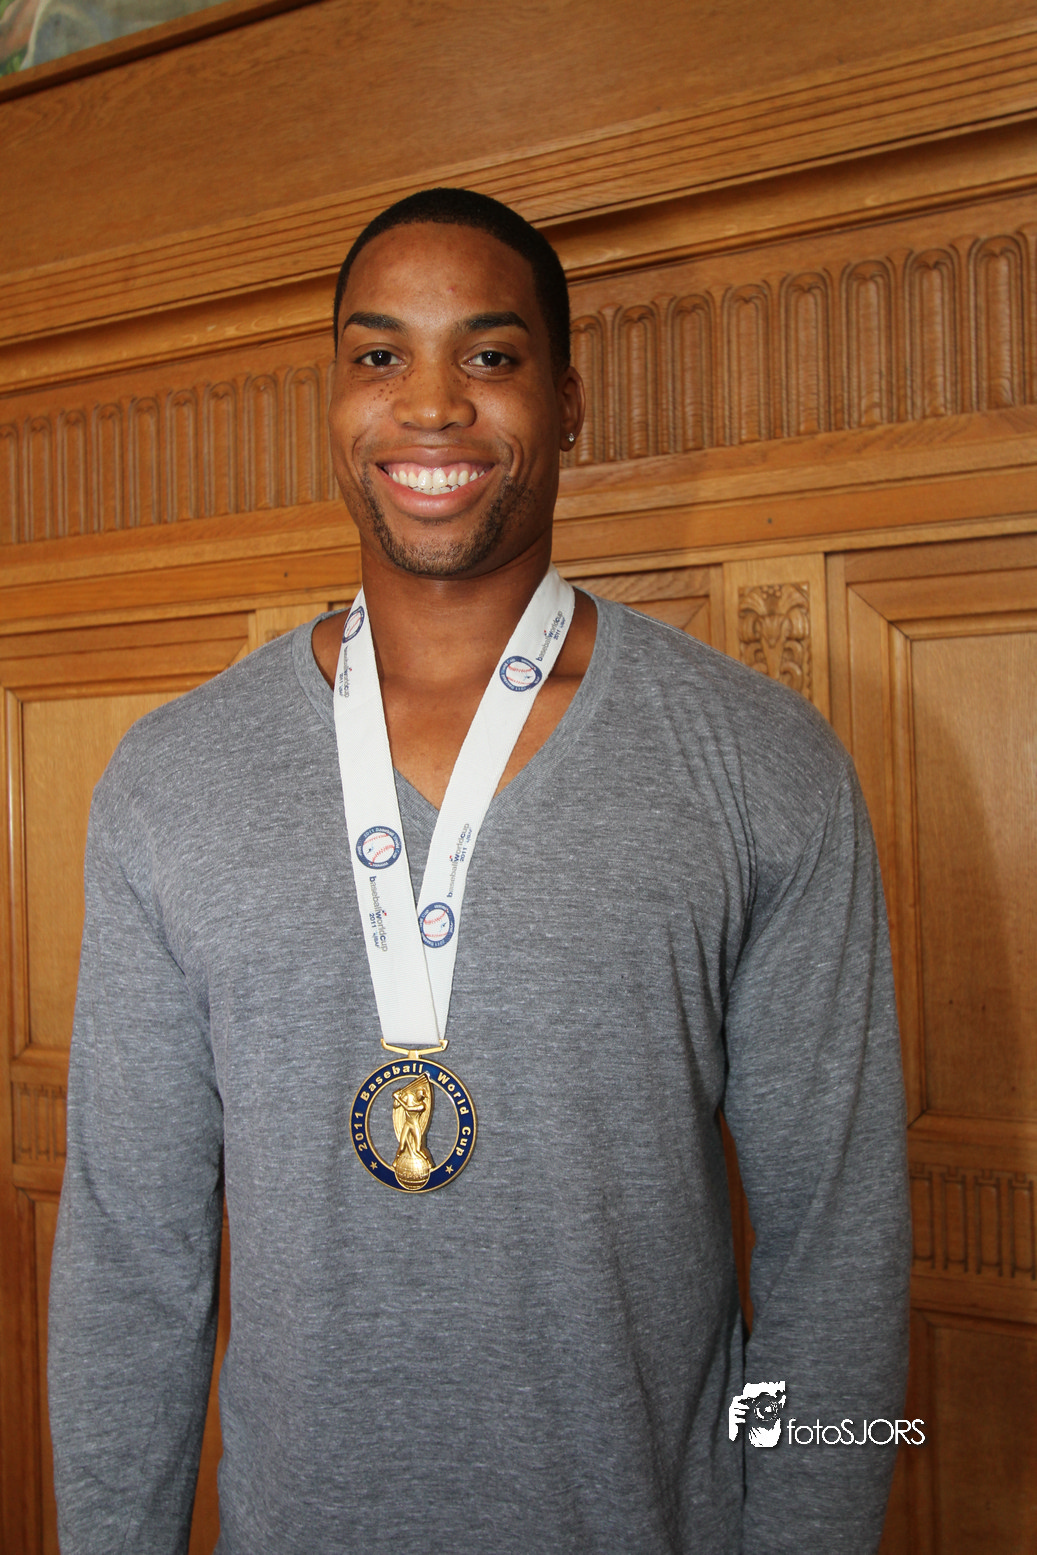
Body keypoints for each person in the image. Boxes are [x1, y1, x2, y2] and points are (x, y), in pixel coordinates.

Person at [48, 187, 910, 1554]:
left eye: (490, 355)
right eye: (379, 355)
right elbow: (127, 1258)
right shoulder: (169, 782)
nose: (431, 404)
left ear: (568, 404)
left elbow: (835, 1249)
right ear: (334, 399)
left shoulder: (761, 763)